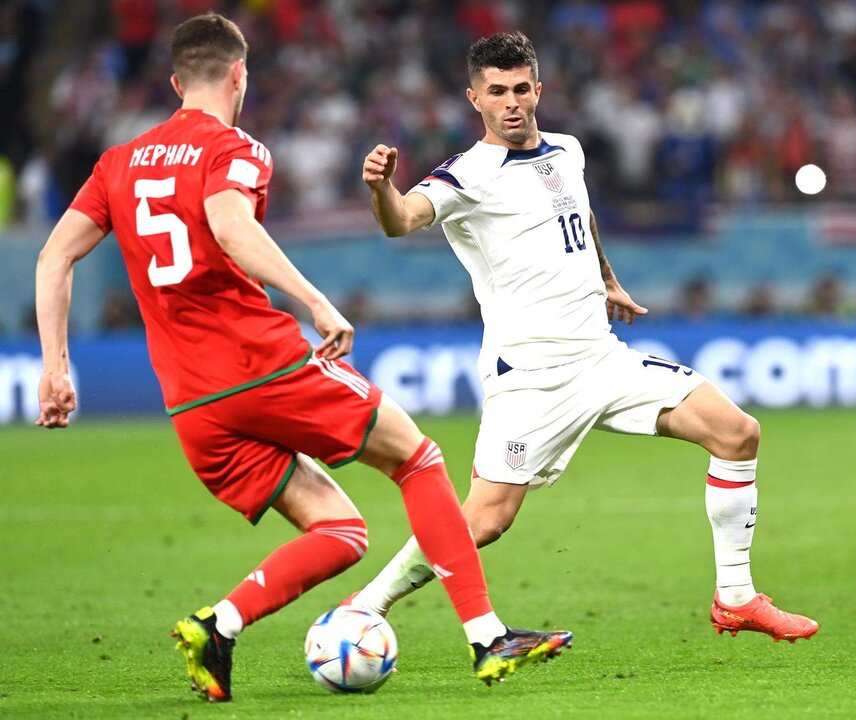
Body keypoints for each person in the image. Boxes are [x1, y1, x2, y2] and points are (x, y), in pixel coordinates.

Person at [34, 13, 570, 703]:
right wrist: (315, 301)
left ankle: (218, 626)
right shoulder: (237, 149)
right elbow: (230, 225)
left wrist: (56, 367)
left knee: (341, 531)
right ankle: (486, 635)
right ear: (240, 75)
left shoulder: (118, 162)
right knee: (417, 459)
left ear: (174, 83)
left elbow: (54, 256)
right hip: (261, 366)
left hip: (191, 404)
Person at [351, 31, 818, 643]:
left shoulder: (566, 149)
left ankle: (735, 598)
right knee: (487, 519)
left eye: (521, 88)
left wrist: (607, 279)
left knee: (737, 434)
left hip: (600, 356)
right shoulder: (468, 174)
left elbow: (579, 215)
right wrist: (381, 189)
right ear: (475, 99)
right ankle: (368, 603)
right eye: (497, 91)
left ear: (538, 89)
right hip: (532, 374)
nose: (511, 102)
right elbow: (403, 221)